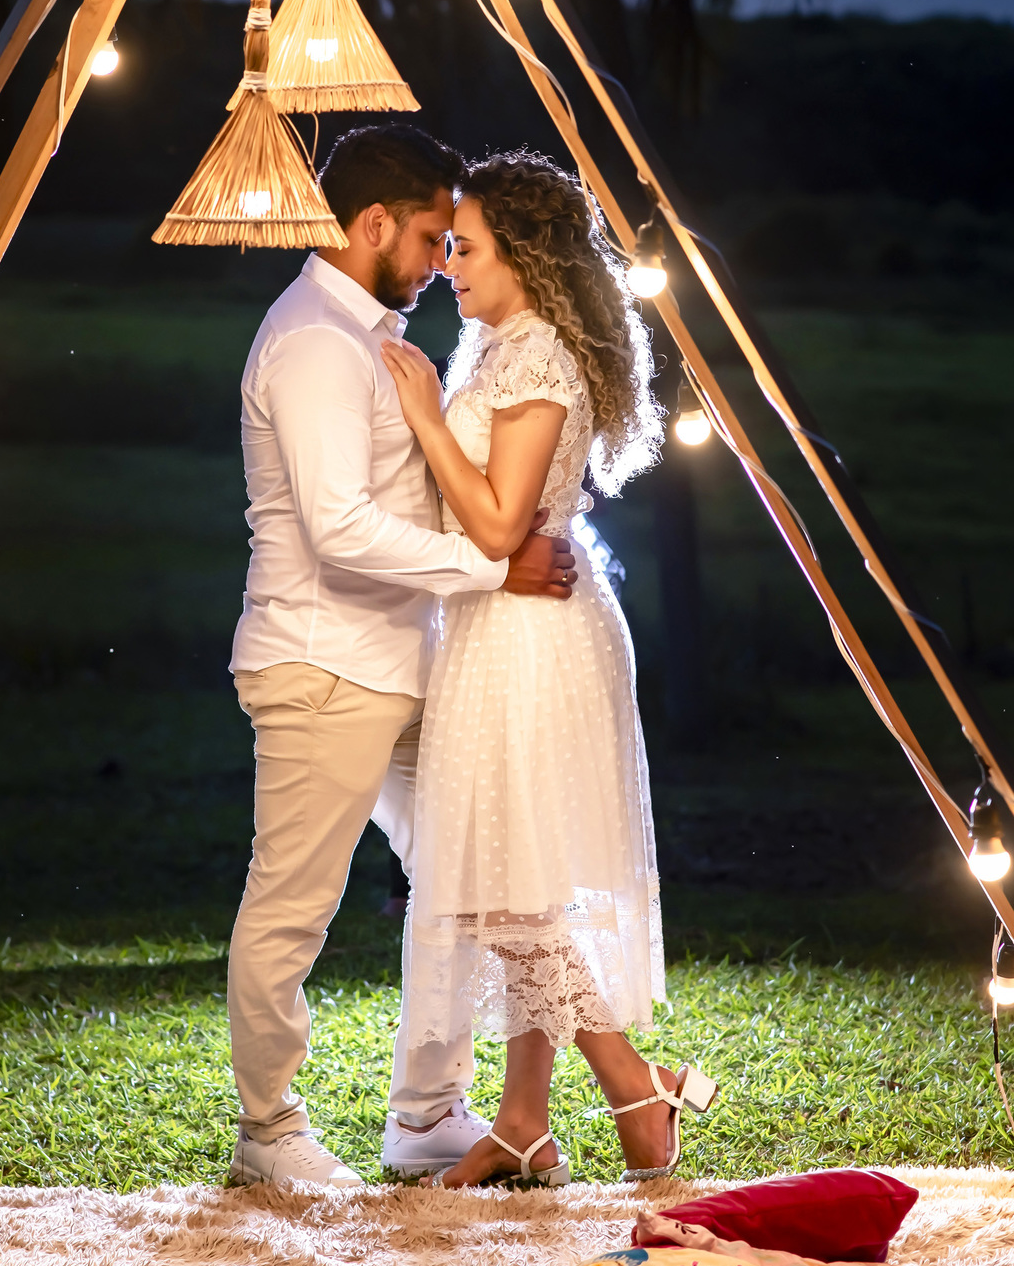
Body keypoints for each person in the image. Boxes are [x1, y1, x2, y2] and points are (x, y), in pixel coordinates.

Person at [226, 124, 578, 1190]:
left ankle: (429, 1110)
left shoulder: (378, 336)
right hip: (325, 662)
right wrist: (494, 572)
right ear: (371, 225)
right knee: (294, 901)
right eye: (429, 236)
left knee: (469, 880)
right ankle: (270, 1132)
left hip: (413, 662)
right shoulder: (314, 344)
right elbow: (338, 528)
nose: (438, 260)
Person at [381, 151, 718, 1188]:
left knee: (500, 885)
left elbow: (494, 525)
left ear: (523, 256)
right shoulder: (501, 342)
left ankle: (632, 1081)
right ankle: (525, 1119)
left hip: (531, 639)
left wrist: (427, 414)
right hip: (499, 630)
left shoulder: (533, 359)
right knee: (514, 870)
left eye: (465, 247)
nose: (445, 265)